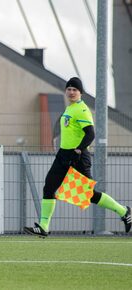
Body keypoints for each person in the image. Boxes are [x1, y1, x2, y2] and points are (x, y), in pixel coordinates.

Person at [24, 77, 131, 237]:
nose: (71, 92)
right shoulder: (70, 108)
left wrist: (78, 150)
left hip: (77, 158)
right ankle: (44, 226)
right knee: (49, 187)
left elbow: (91, 134)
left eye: (75, 89)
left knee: (89, 194)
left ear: (80, 92)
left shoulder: (81, 109)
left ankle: (124, 211)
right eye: (69, 89)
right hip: (63, 156)